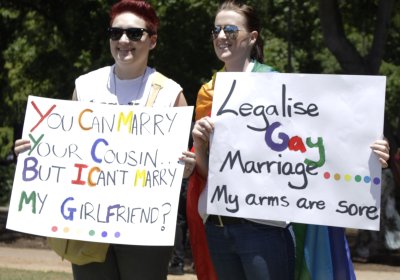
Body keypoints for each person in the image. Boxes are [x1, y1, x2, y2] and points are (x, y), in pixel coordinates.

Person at [187, 1, 391, 280]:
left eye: (231, 30)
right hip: (218, 227)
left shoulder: (280, 87)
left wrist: (369, 151)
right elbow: (208, 172)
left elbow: (325, 141)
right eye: (216, 30)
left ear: (252, 37)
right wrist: (199, 147)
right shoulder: (207, 93)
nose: (221, 36)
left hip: (263, 230)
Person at [14, 1, 195, 279]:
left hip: (143, 230)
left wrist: (187, 166)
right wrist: (35, 150)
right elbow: (65, 150)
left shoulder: (171, 94)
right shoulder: (85, 85)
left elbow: (182, 168)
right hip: (87, 225)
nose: (124, 40)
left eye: (135, 34)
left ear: (153, 40)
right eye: (116, 33)